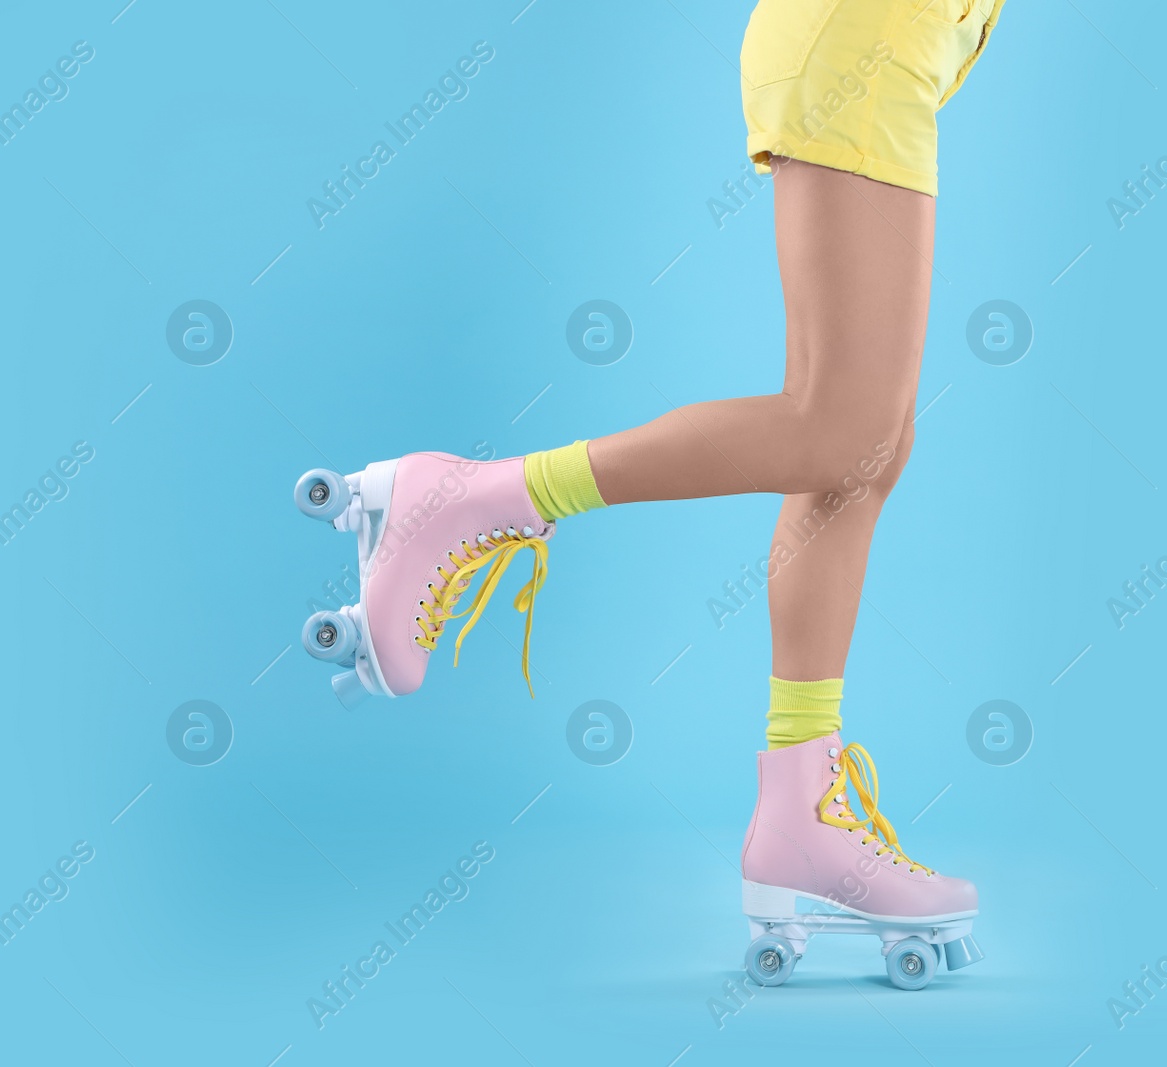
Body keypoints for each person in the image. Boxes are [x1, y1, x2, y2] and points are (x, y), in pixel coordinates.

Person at [293, 0, 1003, 988]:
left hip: (896, 53)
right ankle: (464, 499)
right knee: (840, 429)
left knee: (864, 450)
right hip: (864, 42)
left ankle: (801, 806)